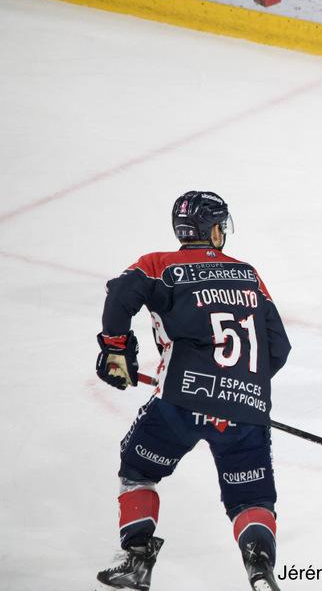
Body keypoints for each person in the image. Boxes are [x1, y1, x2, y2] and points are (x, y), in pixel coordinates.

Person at [94, 191, 291, 591]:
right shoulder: (248, 273)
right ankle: (259, 569)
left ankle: (135, 559)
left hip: (179, 402)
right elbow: (279, 347)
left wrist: (116, 348)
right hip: (246, 408)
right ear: (212, 229)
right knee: (250, 499)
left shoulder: (159, 266)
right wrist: (241, 384)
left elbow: (119, 294)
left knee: (138, 470)